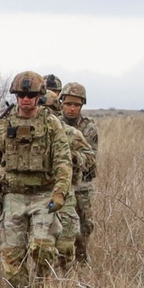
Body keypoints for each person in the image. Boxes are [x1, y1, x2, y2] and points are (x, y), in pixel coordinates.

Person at [0, 70, 72, 288]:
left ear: (38, 95)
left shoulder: (51, 124)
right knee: (12, 257)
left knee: (42, 247)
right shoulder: (2, 123)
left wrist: (59, 192)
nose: (25, 99)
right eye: (21, 95)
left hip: (43, 194)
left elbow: (63, 160)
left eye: (30, 95)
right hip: (13, 195)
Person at [41, 90, 95, 269]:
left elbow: (89, 158)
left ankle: (65, 276)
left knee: (67, 239)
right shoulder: (22, 131)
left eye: (49, 109)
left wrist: (69, 157)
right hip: (35, 193)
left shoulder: (69, 133)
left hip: (65, 191)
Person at [58, 82, 99, 263]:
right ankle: (61, 263)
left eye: (76, 105)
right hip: (61, 182)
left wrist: (67, 155)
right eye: (68, 104)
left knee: (84, 226)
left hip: (82, 183)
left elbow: (89, 158)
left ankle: (81, 261)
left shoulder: (88, 128)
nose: (72, 109)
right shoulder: (54, 123)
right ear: (62, 103)